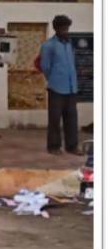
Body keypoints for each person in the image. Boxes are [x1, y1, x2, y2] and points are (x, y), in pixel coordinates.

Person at [40, 14, 82, 156]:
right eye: (63, 28)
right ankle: (53, 147)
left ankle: (72, 146)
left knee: (72, 119)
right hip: (56, 88)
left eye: (67, 28)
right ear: (56, 29)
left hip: (71, 88)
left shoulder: (70, 44)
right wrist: (53, 78)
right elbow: (45, 66)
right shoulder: (48, 45)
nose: (65, 31)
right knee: (54, 120)